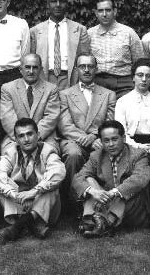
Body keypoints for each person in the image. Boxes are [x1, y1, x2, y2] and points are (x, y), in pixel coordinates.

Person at [71, 120, 150, 238]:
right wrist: (93, 191)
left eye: (114, 139)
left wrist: (114, 192)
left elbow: (140, 178)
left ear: (124, 138)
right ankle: (96, 221)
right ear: (101, 142)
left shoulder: (138, 154)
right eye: (106, 140)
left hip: (130, 207)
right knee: (88, 180)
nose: (110, 144)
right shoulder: (96, 156)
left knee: (126, 189)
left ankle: (98, 222)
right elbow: (78, 178)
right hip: (106, 202)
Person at [0, 118, 65, 244]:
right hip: (20, 202)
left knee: (51, 187)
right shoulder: (11, 152)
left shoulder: (48, 151)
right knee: (2, 185)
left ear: (38, 135)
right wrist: (16, 195)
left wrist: (34, 192)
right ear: (16, 140)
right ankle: (31, 225)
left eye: (30, 134)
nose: (26, 139)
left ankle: (16, 228)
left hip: (42, 205)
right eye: (21, 136)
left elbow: (58, 172)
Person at [57, 55, 115, 208]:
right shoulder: (65, 94)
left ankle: (102, 202)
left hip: (99, 139)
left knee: (108, 150)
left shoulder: (108, 94)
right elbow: (65, 125)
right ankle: (72, 201)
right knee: (73, 154)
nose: (87, 70)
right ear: (76, 69)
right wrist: (86, 137)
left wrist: (96, 136)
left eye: (90, 66)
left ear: (96, 69)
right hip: (73, 139)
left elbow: (110, 123)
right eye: (82, 66)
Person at [29, 0, 91, 90]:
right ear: (48, 4)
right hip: (44, 79)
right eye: (54, 1)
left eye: (62, 1)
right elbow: (32, 60)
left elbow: (84, 59)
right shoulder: (35, 31)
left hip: (70, 79)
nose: (58, 5)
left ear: (67, 4)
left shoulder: (80, 29)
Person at [0, 54, 60, 153]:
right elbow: (7, 118)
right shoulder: (8, 88)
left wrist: (33, 138)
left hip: (44, 137)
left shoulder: (51, 89)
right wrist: (22, 138)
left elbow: (51, 117)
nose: (31, 71)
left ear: (41, 69)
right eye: (27, 67)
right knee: (10, 153)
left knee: (49, 153)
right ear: (20, 69)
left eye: (35, 67)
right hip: (15, 138)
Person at [114, 58, 150, 165]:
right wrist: (138, 146)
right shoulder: (122, 101)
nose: (144, 79)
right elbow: (121, 131)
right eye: (140, 75)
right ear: (133, 77)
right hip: (129, 147)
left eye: (148, 76)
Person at [88, 0, 144, 99]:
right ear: (96, 13)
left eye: (108, 10)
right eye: (100, 11)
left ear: (115, 11)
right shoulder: (89, 34)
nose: (104, 14)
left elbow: (139, 62)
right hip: (98, 82)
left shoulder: (128, 33)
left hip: (124, 83)